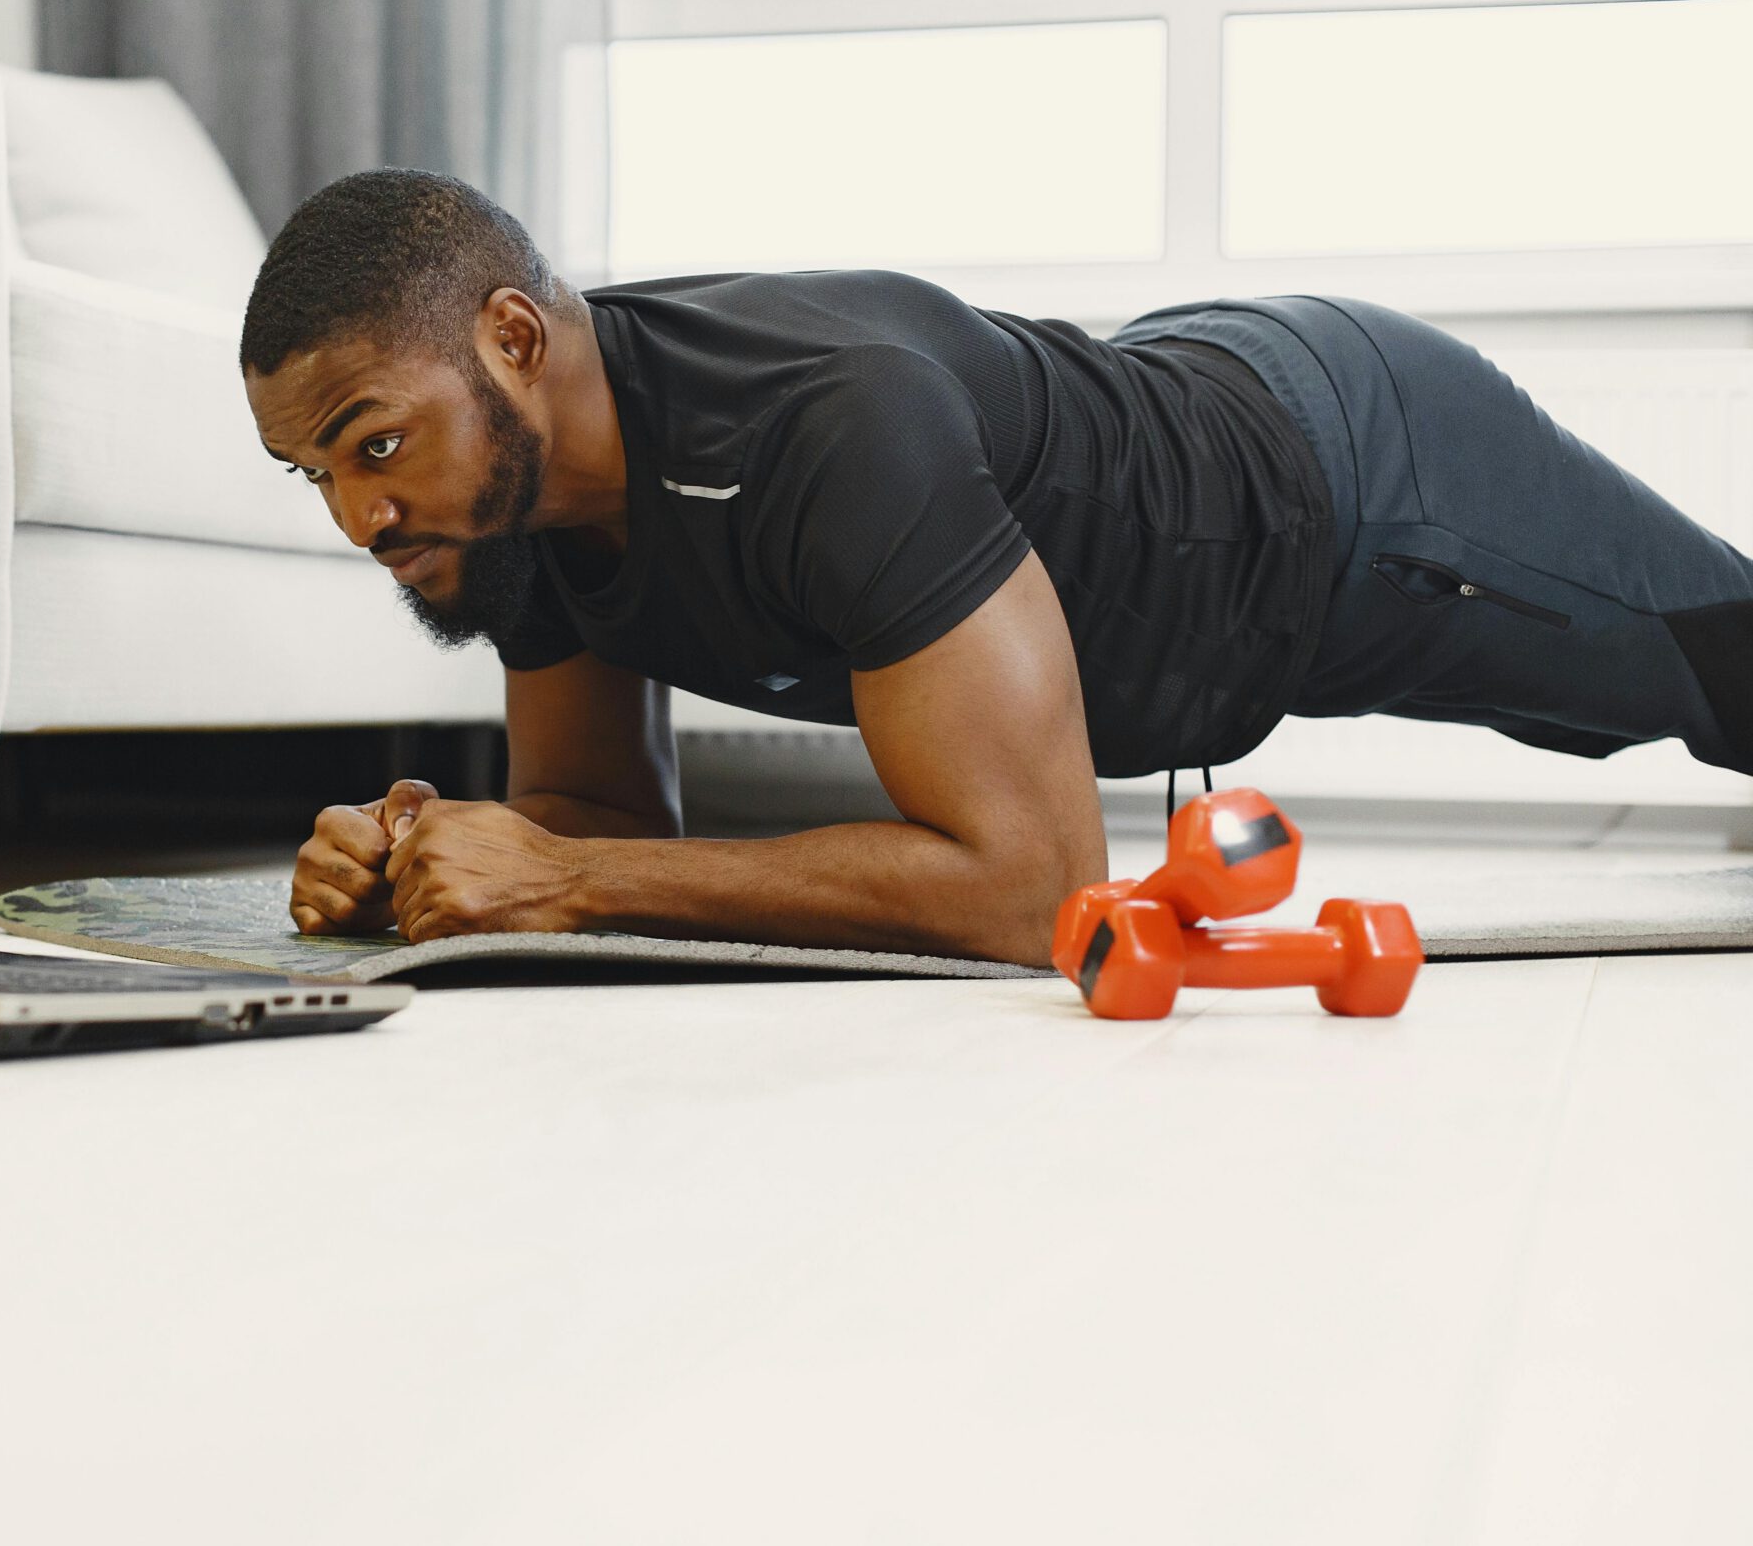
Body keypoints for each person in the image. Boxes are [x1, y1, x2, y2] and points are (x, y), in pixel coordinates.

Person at [241, 169, 1753, 967]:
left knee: (1726, 676)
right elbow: (602, 819)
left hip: (1358, 476)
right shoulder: (517, 513)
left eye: (373, 446)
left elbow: (1036, 890)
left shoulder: (822, 421)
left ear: (513, 340)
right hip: (1189, 468)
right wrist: (440, 866)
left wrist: (567, 880)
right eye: (315, 474)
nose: (355, 518)